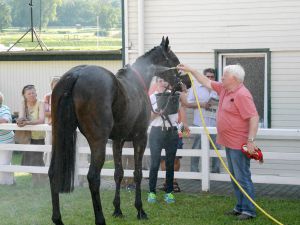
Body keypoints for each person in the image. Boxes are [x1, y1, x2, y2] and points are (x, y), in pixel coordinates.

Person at [177, 64, 259, 220]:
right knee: (235, 177)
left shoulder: (242, 94)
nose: (221, 78)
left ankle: (249, 211)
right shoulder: (225, 89)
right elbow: (206, 82)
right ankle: (240, 207)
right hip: (229, 142)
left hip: (239, 143)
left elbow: (253, 117)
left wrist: (250, 140)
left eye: (225, 75)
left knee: (242, 176)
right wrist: (192, 70)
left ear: (233, 78)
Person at [147, 77, 188, 204]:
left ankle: (169, 192)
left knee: (170, 163)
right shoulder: (151, 97)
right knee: (154, 163)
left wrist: (182, 88)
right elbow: (148, 119)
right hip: (156, 131)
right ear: (156, 82)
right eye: (159, 80)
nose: (162, 82)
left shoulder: (175, 95)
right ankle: (152, 192)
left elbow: (186, 102)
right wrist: (157, 113)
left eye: (165, 80)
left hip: (172, 131)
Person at [184, 68, 221, 173]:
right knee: (197, 148)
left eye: (212, 76)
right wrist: (202, 104)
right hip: (199, 124)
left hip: (215, 124)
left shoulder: (218, 88)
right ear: (203, 77)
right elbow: (188, 104)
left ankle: (215, 171)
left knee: (217, 149)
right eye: (207, 76)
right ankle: (194, 171)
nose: (209, 78)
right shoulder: (195, 88)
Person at [16, 85, 46, 184]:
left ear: (36, 93)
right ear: (24, 95)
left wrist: (27, 122)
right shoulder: (23, 103)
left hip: (38, 135)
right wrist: (20, 120)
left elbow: (41, 120)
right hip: (27, 136)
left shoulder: (41, 103)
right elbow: (21, 117)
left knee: (38, 158)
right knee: (29, 158)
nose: (32, 95)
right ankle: (35, 180)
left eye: (33, 92)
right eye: (29, 93)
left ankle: (42, 180)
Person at [0, 92, 15, 185]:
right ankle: (9, 181)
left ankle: (7, 183)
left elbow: (5, 120)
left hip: (7, 140)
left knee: (5, 162)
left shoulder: (5, 108)